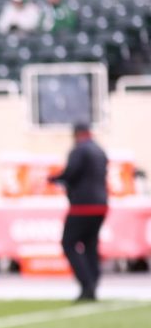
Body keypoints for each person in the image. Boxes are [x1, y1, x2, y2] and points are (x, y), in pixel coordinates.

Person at [48, 124, 108, 301]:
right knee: (90, 245)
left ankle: (86, 283)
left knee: (69, 243)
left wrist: (54, 179)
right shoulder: (99, 150)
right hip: (101, 205)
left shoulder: (79, 150)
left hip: (83, 206)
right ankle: (93, 282)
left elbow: (71, 173)